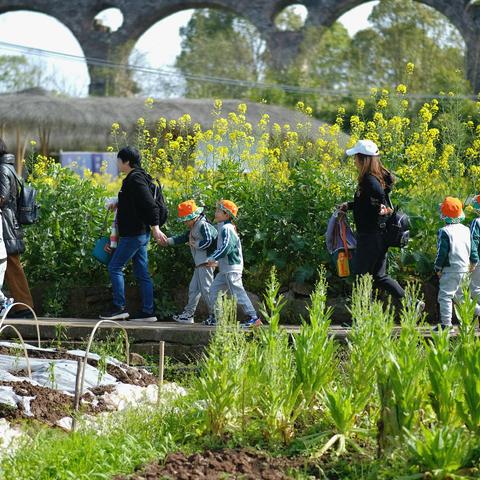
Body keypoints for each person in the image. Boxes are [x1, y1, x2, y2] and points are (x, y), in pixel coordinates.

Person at [100, 146, 167, 322]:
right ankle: (148, 312)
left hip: (134, 234)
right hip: (139, 233)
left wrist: (156, 227)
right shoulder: (138, 177)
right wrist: (118, 203)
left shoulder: (135, 178)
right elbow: (135, 203)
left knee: (115, 267)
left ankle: (119, 307)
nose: (117, 163)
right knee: (142, 272)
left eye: (119, 159)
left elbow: (149, 204)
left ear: (126, 161)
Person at [339, 139, 406, 302]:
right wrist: (349, 205)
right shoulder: (377, 177)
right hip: (379, 236)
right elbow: (366, 204)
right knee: (379, 276)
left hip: (370, 236)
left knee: (361, 276)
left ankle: (361, 318)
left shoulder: (369, 180)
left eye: (356, 157)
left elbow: (376, 197)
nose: (354, 161)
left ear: (363, 159)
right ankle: (411, 303)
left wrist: (380, 206)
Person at [204, 199, 261, 328]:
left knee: (238, 293)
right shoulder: (223, 227)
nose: (216, 212)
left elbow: (227, 247)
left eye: (219, 211)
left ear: (226, 215)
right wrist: (217, 262)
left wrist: (214, 257)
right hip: (225, 269)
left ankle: (253, 317)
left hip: (231, 269)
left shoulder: (227, 228)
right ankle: (217, 318)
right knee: (213, 290)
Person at [160, 200, 217, 324]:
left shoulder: (203, 225)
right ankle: (188, 314)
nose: (185, 222)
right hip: (199, 264)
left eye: (186, 220)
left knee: (207, 289)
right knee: (193, 289)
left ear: (194, 217)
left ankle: (216, 315)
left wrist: (195, 244)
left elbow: (209, 241)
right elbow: (183, 237)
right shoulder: (193, 227)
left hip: (206, 262)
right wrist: (167, 241)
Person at [0, 139, 34, 318]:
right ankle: (20, 307)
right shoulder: (9, 167)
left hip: (5, 225)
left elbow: (2, 197)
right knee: (10, 266)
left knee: (12, 265)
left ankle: (24, 308)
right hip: (8, 223)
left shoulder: (2, 169)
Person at [434, 196, 479, 331]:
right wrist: (474, 261)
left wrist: (437, 267)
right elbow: (473, 248)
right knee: (462, 298)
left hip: (450, 269)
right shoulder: (466, 229)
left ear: (444, 215)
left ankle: (446, 324)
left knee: (445, 296)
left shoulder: (445, 232)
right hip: (465, 268)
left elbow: (442, 252)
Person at [468, 194, 480, 312]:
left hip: (479, 260)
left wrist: (473, 260)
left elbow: (474, 242)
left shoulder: (477, 222)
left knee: (475, 289)